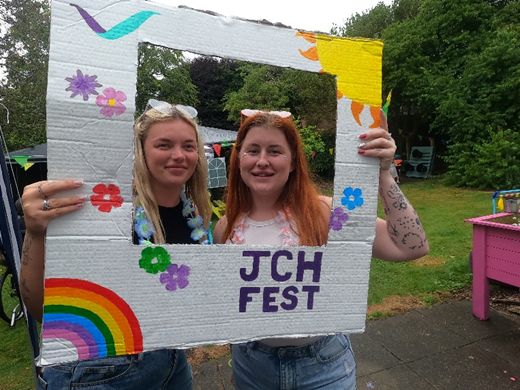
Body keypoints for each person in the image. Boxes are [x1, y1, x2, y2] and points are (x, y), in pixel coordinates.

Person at [214, 110, 429, 389]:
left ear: (292, 162)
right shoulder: (225, 228)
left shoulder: (324, 212)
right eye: (252, 150)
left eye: (275, 150)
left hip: (322, 365)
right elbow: (236, 303)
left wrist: (383, 174)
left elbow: (411, 246)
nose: (262, 161)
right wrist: (236, 357)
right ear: (239, 159)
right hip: (252, 366)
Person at [19, 100, 211, 390]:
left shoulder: (195, 216)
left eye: (188, 145)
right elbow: (40, 308)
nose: (178, 155)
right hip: (98, 369)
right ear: (140, 151)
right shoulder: (105, 210)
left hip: (170, 361)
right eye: (164, 145)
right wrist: (35, 233)